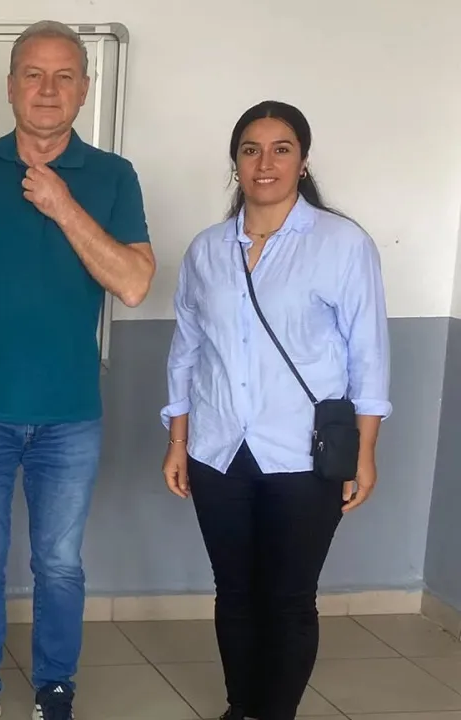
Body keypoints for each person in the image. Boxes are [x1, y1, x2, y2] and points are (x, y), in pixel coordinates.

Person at [0, 20, 155, 720]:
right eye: (34, 74)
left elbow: (134, 283)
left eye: (63, 76)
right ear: (10, 86)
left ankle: (56, 685)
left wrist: (63, 206)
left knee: (59, 563)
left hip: (68, 414)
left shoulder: (113, 177)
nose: (48, 89)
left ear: (84, 89)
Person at [160, 100, 391, 720]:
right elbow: (186, 352)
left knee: (289, 598)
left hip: (304, 454)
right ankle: (242, 708)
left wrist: (365, 453)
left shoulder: (342, 244)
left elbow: (369, 357)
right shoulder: (207, 249)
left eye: (281, 149)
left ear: (303, 161)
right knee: (234, 593)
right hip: (218, 450)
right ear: (235, 163)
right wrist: (178, 441)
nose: (265, 163)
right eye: (251, 150)